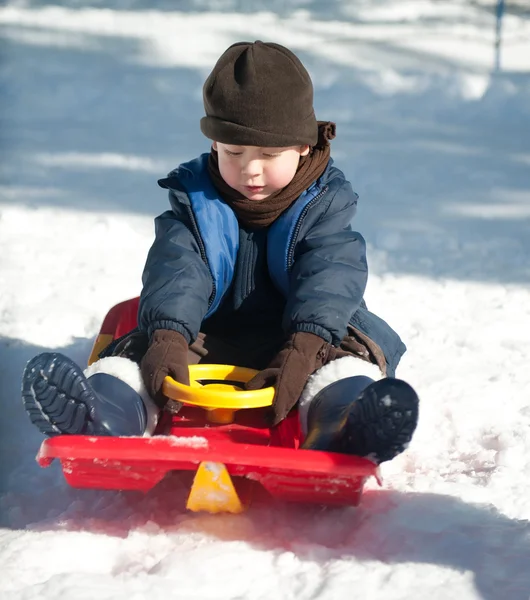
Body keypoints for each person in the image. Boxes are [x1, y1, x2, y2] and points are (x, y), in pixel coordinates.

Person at [22, 41, 419, 464]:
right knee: (136, 359)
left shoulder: (325, 204)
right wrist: (170, 334)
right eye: (233, 152)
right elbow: (177, 269)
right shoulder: (195, 200)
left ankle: (345, 426)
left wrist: (307, 345)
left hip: (302, 336)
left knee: (345, 367)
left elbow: (332, 274)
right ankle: (103, 415)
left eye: (268, 154)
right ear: (214, 144)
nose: (250, 169)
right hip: (209, 331)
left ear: (304, 145)